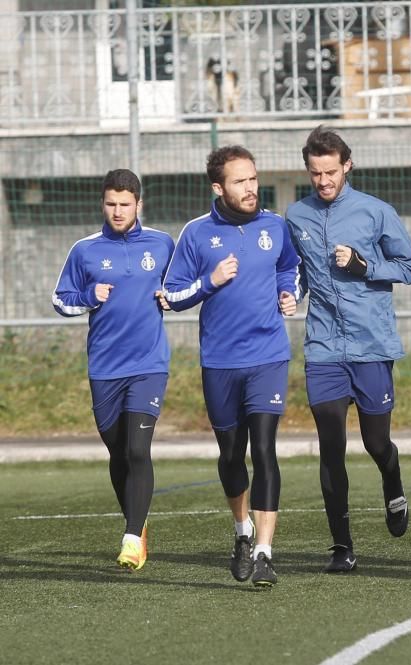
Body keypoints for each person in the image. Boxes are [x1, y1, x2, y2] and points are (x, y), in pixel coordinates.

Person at [285, 126, 411, 573]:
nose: (323, 181)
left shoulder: (376, 212)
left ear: (347, 166)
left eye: (330, 172)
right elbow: (298, 272)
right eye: (315, 173)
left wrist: (365, 266)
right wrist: (291, 293)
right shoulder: (296, 216)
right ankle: (342, 547)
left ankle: (392, 478)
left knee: (375, 441)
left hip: (370, 344)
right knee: (330, 445)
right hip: (323, 347)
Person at [163, 146, 300, 587]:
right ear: (218, 187)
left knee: (264, 450)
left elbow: (290, 268)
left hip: (268, 356)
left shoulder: (275, 227)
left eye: (254, 179)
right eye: (240, 181)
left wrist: (288, 294)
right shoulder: (196, 234)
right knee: (231, 455)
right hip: (220, 361)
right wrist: (211, 281)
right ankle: (241, 531)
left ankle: (264, 551)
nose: (251, 188)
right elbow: (172, 294)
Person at [52, 168, 174, 571]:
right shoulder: (84, 250)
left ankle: (131, 537)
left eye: (125, 204)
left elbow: (183, 283)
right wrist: (90, 295)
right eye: (111, 204)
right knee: (118, 453)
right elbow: (61, 299)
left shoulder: (162, 244)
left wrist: (171, 296)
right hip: (104, 366)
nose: (118, 211)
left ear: (139, 204)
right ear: (103, 204)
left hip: (148, 364)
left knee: (139, 449)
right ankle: (137, 525)